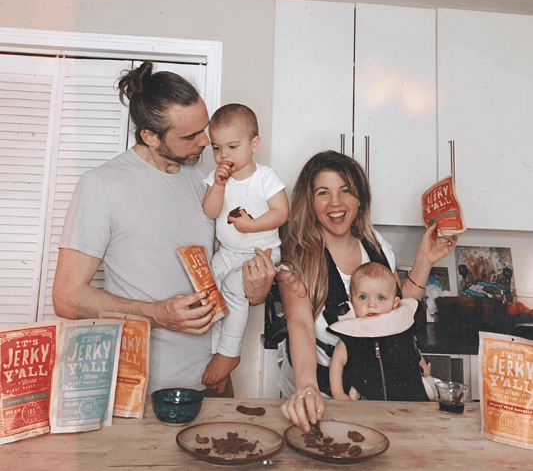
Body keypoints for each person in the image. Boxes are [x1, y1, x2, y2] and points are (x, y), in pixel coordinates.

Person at [52, 62, 275, 396]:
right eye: (191, 136)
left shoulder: (207, 180)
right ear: (150, 136)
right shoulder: (101, 185)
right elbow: (67, 298)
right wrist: (155, 314)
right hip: (142, 393)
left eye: (206, 128)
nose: (206, 142)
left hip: (214, 384)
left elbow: (226, 266)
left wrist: (255, 291)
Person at [278, 151, 457, 432]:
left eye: (345, 190)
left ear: (359, 199)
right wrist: (307, 387)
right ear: (309, 202)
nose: (335, 203)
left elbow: (396, 308)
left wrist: (425, 259)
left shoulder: (377, 247)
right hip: (324, 397)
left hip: (378, 395)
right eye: (323, 192)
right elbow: (300, 325)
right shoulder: (296, 262)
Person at [201, 104, 289, 387]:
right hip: (226, 253)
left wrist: (251, 226)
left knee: (233, 288)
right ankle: (215, 350)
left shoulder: (265, 177)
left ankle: (229, 352)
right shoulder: (217, 180)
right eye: (216, 148)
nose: (223, 156)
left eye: (232, 146)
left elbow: (281, 212)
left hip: (259, 255)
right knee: (210, 292)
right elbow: (211, 212)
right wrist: (218, 187)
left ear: (254, 145)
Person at [328, 262, 436, 402]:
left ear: (395, 303)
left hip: (405, 399)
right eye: (363, 297)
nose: (371, 305)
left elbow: (410, 348)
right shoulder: (352, 333)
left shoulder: (398, 326)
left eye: (380, 298)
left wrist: (420, 361)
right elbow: (337, 363)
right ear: (351, 299)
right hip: (368, 400)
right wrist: (338, 393)